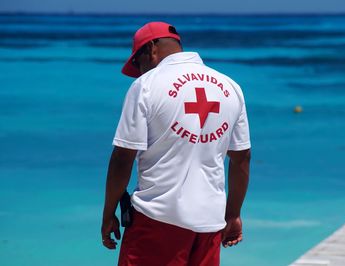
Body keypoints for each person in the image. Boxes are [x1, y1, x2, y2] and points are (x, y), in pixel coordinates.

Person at [101, 21, 251, 266]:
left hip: (156, 219)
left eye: (138, 64)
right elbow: (242, 158)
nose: (139, 72)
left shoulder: (146, 85)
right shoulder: (230, 87)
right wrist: (233, 214)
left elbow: (123, 157)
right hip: (209, 223)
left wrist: (108, 214)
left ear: (151, 49)